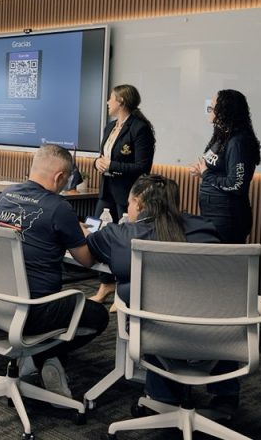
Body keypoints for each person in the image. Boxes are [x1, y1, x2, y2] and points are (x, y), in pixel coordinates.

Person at [82, 174, 238, 417]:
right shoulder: (204, 228)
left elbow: (88, 251)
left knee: (151, 306)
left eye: (129, 203)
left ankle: (163, 398)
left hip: (156, 333)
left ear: (138, 203)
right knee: (202, 301)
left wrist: (82, 231)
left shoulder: (119, 235)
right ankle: (226, 397)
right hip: (214, 331)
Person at [0, 144, 109, 401]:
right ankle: (45, 356)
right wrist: (83, 234)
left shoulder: (6, 195)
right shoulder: (58, 207)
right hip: (36, 310)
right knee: (98, 315)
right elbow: (86, 260)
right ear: (59, 177)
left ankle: (41, 357)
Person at [91, 84, 155, 305]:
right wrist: (97, 163)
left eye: (111, 98)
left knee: (124, 241)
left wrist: (113, 166)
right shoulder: (110, 127)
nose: (108, 102)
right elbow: (102, 156)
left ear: (121, 102)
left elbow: (143, 166)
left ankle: (124, 290)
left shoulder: (139, 128)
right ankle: (105, 283)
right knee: (96, 231)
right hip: (106, 190)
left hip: (127, 194)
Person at [191, 89, 261, 244]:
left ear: (225, 110)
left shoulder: (238, 142)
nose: (209, 110)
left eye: (212, 107)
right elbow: (218, 171)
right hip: (214, 215)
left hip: (227, 218)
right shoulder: (222, 136)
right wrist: (203, 173)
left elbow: (237, 184)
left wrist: (206, 174)